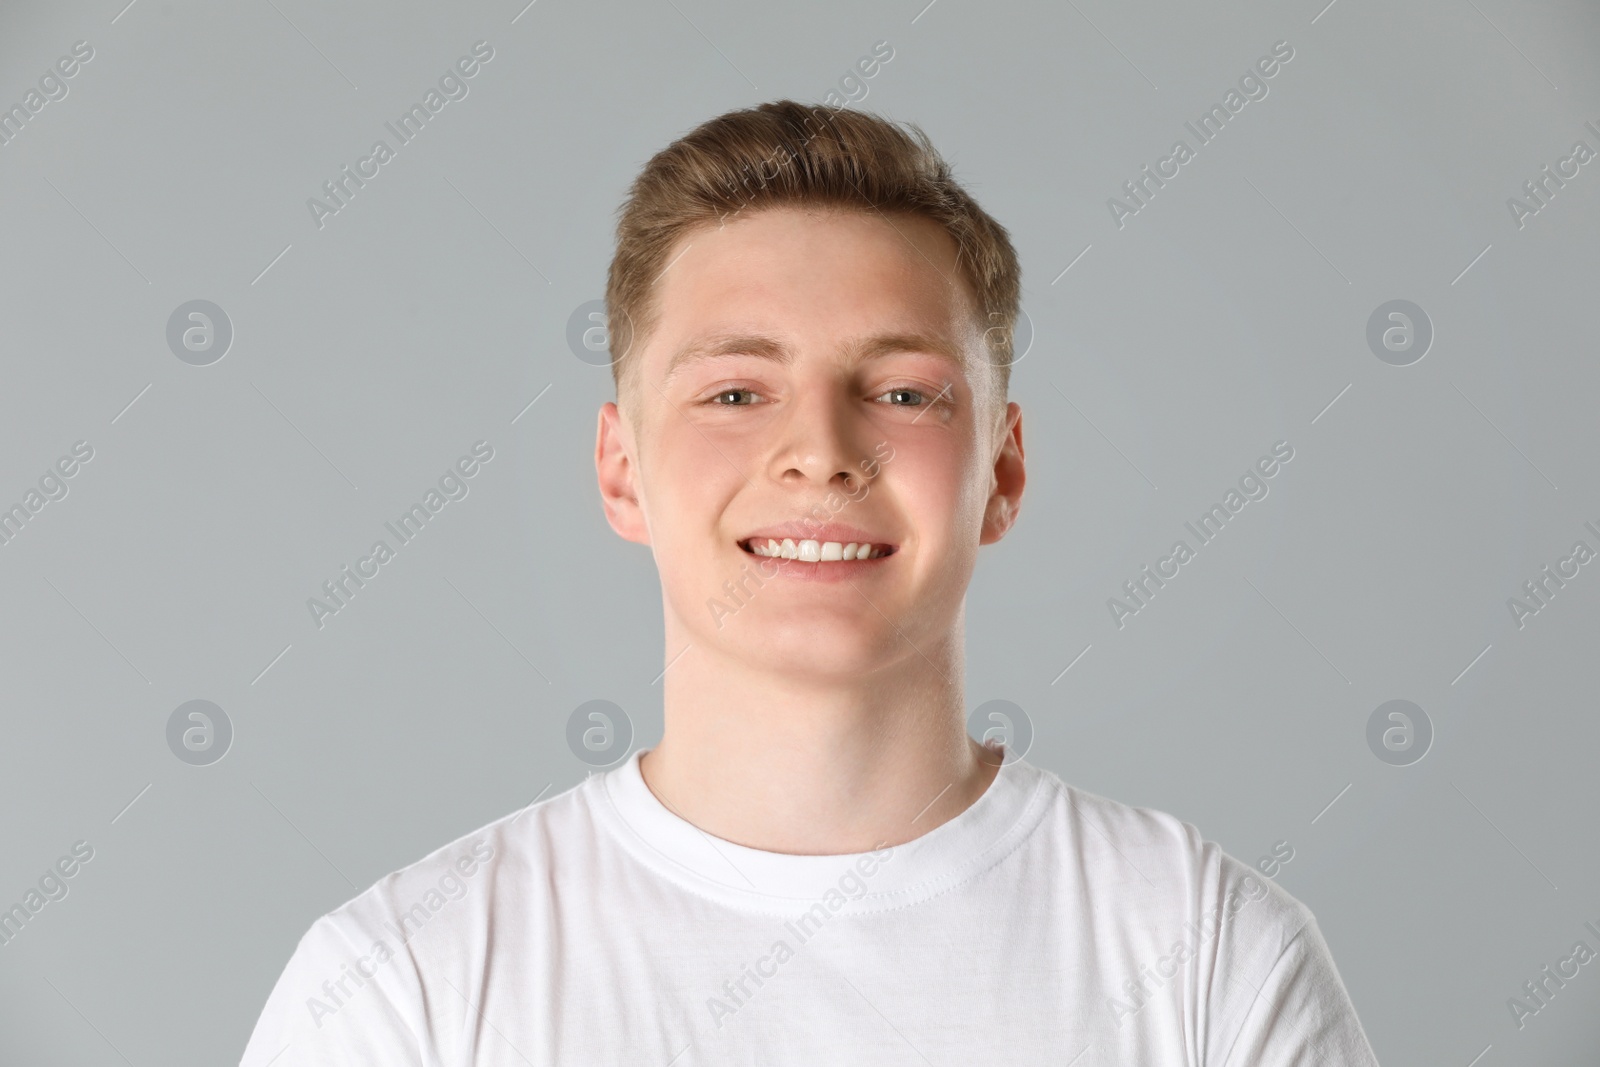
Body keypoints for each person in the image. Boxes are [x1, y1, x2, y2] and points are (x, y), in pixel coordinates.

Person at [239, 100, 1381, 1065]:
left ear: (1003, 468)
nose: (821, 451)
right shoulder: (401, 988)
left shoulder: (1212, 957)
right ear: (622, 470)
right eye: (736, 393)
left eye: (902, 392)